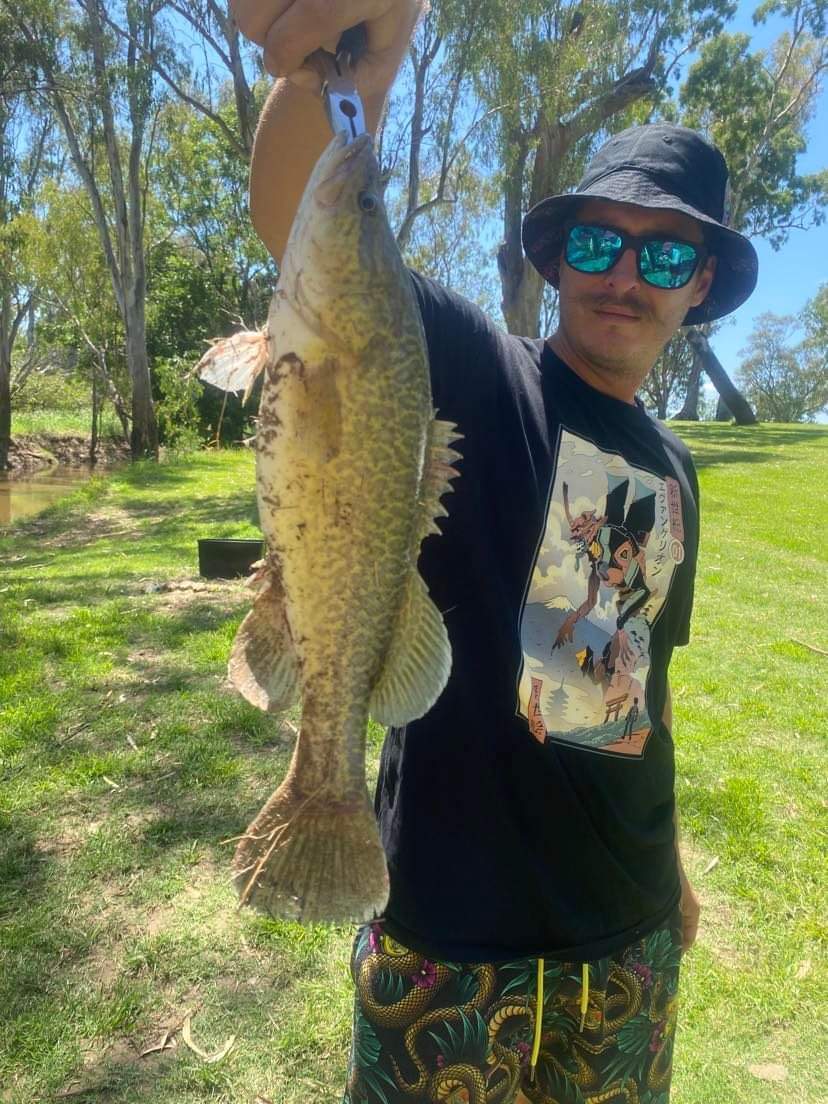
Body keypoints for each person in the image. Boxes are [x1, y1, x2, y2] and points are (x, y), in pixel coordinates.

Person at [230, 3, 759, 1101]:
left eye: (664, 252)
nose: (625, 275)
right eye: (598, 243)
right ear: (558, 261)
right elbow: (299, 223)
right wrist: (359, 63)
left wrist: (673, 873)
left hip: (628, 942)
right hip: (450, 943)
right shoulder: (474, 369)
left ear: (700, 282)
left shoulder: (674, 469)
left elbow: (637, 683)